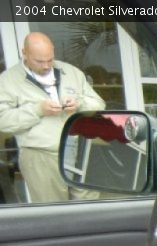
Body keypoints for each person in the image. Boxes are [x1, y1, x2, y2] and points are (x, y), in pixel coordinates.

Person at [0, 32, 105, 203]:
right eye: (40, 61)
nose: (47, 65)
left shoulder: (71, 72)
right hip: (41, 156)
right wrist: (37, 110)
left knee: (90, 210)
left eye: (50, 59)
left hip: (80, 151)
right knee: (56, 214)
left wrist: (79, 104)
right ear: (24, 53)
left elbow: (99, 104)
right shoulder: (8, 80)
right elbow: (3, 122)